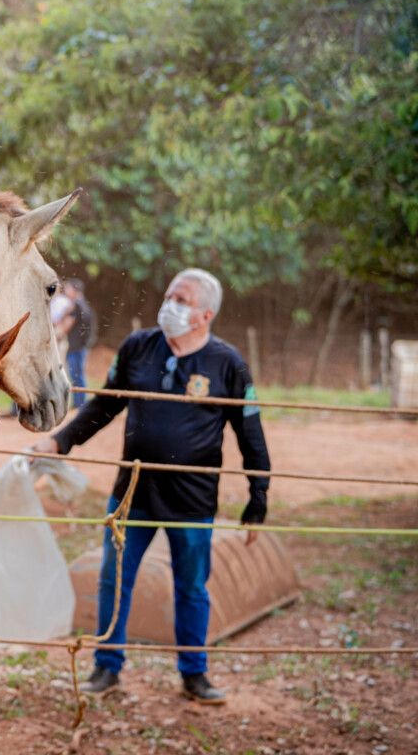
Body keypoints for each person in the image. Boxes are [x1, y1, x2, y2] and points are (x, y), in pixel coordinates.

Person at [30, 268, 270, 705]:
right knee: (114, 579)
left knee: (191, 587)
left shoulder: (228, 364)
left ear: (205, 314)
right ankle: (107, 667)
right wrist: (60, 440)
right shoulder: (139, 348)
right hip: (133, 495)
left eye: (182, 300)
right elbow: (105, 405)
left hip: (192, 502)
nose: (170, 306)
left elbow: (250, 434)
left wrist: (258, 498)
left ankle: (194, 674)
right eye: (169, 296)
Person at [55, 278, 96, 409]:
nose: (66, 291)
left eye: (68, 288)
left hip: (76, 346)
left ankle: (80, 404)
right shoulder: (84, 304)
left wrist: (57, 335)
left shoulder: (76, 305)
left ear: (74, 290)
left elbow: (68, 323)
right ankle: (80, 403)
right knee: (78, 374)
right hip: (81, 345)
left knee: (76, 374)